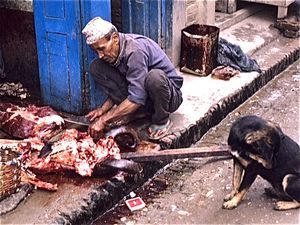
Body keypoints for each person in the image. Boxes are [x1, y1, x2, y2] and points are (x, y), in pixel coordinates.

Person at [82, 17, 183, 140]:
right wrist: (103, 109)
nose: (100, 55)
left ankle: (161, 120)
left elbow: (136, 98)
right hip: (144, 94)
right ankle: (137, 112)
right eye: (96, 50)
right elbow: (124, 83)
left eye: (102, 49)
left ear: (114, 38)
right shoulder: (116, 52)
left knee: (154, 77)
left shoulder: (135, 50)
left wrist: (104, 119)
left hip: (168, 97)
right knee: (96, 66)